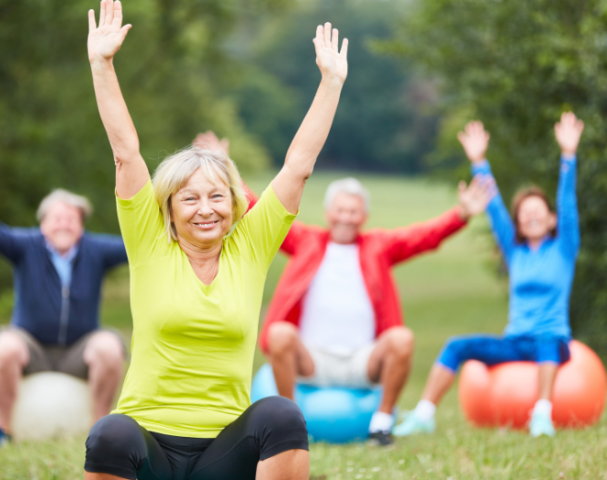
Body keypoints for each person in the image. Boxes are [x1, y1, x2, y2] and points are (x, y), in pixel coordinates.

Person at [84, 0, 348, 477]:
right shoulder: (150, 242)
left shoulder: (250, 247)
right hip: (150, 450)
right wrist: (102, 65)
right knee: (110, 432)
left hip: (224, 455)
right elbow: (126, 154)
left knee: (282, 414)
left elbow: (298, 168)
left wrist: (331, 83)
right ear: (167, 209)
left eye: (216, 197)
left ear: (234, 202)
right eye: (189, 199)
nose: (205, 209)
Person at [193, 131, 494, 446]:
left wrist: (461, 215)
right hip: (311, 359)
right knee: (280, 333)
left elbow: (422, 236)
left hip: (362, 361)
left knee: (402, 338)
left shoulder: (379, 246)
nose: (346, 218)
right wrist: (223, 165)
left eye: (353, 211)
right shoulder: (306, 241)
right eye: (340, 210)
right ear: (328, 213)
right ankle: (291, 422)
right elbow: (259, 209)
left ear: (364, 215)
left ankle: (381, 424)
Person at [394, 112, 583, 438]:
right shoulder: (515, 252)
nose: (532, 216)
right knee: (456, 346)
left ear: (552, 220)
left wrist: (568, 156)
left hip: (552, 343)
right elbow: (494, 209)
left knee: (548, 340)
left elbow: (568, 203)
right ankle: (424, 414)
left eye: (538, 212)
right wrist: (479, 161)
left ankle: (541, 416)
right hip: (515, 341)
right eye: (525, 214)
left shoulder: (564, 248)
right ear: (519, 223)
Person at [0, 152, 128, 446]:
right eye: (56, 219)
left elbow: (136, 245)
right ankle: (1, 431)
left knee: (110, 346)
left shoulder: (96, 250)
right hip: (32, 346)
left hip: (79, 349)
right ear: (43, 224)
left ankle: (99, 433)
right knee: (4, 347)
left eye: (71, 219)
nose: (63, 224)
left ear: (81, 225)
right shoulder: (26, 245)